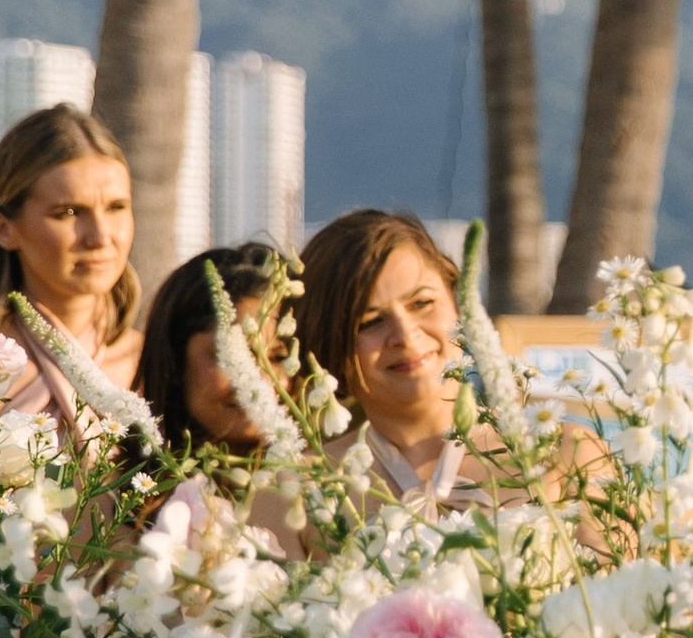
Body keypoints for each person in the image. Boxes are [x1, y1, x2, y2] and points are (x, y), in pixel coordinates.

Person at [0, 103, 143, 415]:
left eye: (116, 207)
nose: (100, 237)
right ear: (3, 229)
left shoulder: (156, 366)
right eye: (69, 212)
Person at [296, 209, 478, 510]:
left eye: (422, 303)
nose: (405, 335)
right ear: (328, 347)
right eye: (370, 322)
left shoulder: (559, 454)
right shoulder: (297, 491)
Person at [134, 241, 288, 453]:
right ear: (175, 361)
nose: (259, 382)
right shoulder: (111, 481)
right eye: (234, 359)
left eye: (279, 357)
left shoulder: (332, 478)